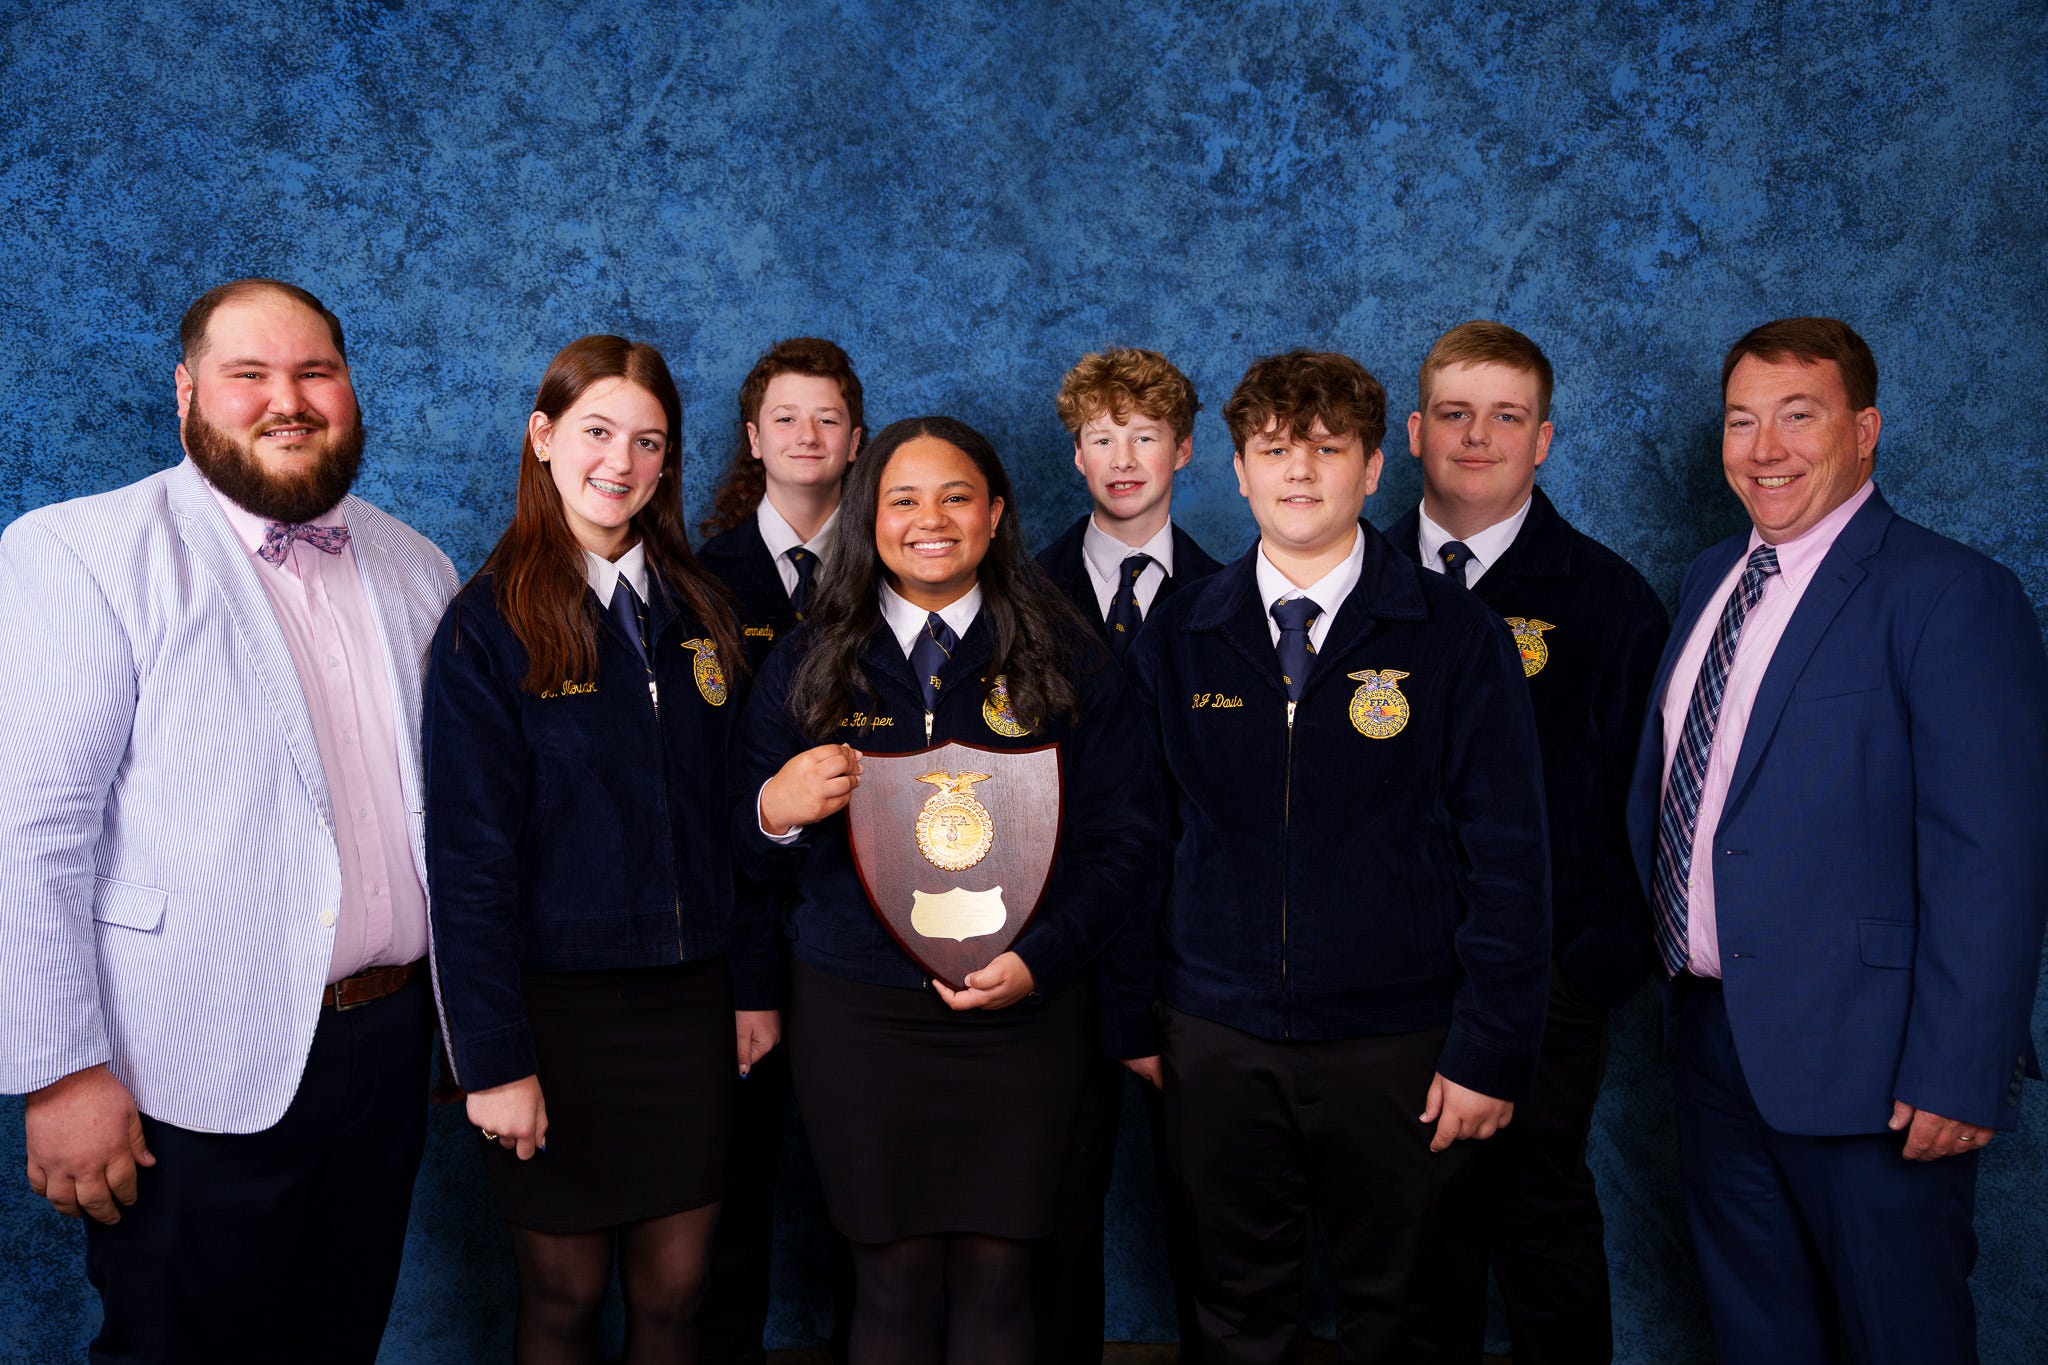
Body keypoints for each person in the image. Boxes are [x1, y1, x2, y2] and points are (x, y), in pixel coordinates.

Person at [0, 278, 458, 1363]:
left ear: (349, 388)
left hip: (390, 1047)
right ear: (187, 393)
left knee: (336, 1341)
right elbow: (30, 828)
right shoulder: (82, 552)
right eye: (248, 374)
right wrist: (61, 1073)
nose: (285, 400)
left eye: (313, 373)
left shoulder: (420, 565)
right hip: (178, 1069)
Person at [1625, 317, 2048, 1364]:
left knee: (1896, 1339)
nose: (1762, 449)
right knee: (1756, 1338)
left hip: (1876, 1065)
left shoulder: (1948, 593)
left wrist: (1958, 1068)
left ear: (1862, 431)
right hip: (1713, 1044)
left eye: (1795, 416)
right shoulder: (1707, 579)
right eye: (1740, 420)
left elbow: (1989, 850)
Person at [1125, 349, 1551, 1363]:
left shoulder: (1452, 634)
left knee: (1405, 1316)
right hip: (1214, 1035)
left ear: (1371, 468)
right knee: (1231, 1313)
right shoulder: (1179, 634)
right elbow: (1135, 842)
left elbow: (1510, 855)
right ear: (1234, 469)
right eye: (1273, 450)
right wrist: (1133, 1015)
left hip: (1398, 1039)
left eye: (1326, 448)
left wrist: (1488, 1048)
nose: (1299, 473)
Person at [737, 416, 1164, 1365]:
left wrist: (1040, 962)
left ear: (997, 513)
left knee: (1002, 1276)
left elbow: (1127, 844)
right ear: (866, 516)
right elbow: (741, 854)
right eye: (902, 498)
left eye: (956, 496)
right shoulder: (809, 662)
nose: (930, 520)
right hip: (858, 1019)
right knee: (886, 1283)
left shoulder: (1071, 655)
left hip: (1026, 1016)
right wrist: (774, 806)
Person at [424, 335, 772, 1363]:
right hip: (554, 1021)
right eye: (596, 432)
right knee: (564, 1301)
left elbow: (733, 823)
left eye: (648, 441)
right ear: (542, 438)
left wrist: (752, 983)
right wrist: (490, 1061)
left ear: (668, 462)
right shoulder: (485, 630)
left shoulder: (705, 613)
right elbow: (466, 863)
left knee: (675, 1296)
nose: (619, 462)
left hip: (692, 1006)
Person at [1385, 321, 1668, 1363]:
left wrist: (1588, 969)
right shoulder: (1344, 583)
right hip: (1383, 980)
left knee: (1535, 1218)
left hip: (1544, 979)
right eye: (1453, 414)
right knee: (1406, 1235)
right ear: (1413, 431)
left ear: (1541, 439)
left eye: (1505, 416)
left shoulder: (1604, 602)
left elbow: (1655, 808)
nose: (1476, 437)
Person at [1031, 346, 1221, 1361]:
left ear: (1184, 451)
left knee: (1210, 1207)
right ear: (1073, 454)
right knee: (1055, 1201)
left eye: (1143, 435)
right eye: (1101, 437)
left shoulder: (1233, 597)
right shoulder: (1020, 595)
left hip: (1191, 947)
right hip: (1061, 938)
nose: (1122, 456)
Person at [695, 335, 866, 1365]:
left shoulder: (903, 559)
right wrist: (745, 974)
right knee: (733, 1194)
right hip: (743, 935)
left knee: (869, 1195)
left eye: (828, 418)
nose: (807, 436)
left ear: (856, 441)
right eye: (785, 417)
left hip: (876, 928)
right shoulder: (698, 579)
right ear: (753, 438)